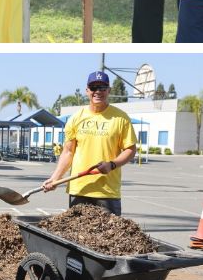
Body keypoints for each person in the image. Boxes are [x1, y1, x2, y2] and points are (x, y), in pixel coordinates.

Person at [42, 71, 137, 215]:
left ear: (109, 90)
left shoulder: (121, 118)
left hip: (107, 192)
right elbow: (68, 152)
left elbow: (130, 150)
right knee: (75, 236)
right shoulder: (76, 118)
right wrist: (55, 178)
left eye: (102, 87)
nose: (98, 91)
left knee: (109, 236)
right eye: (93, 88)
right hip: (79, 189)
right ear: (87, 91)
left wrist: (112, 165)